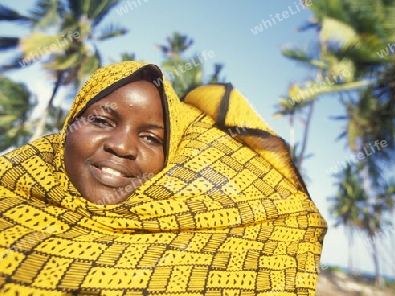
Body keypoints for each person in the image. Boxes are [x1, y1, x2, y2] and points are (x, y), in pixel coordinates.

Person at [0, 61, 327, 295]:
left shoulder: (188, 260)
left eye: (151, 138)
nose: (122, 146)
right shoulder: (10, 186)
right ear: (72, 122)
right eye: (101, 121)